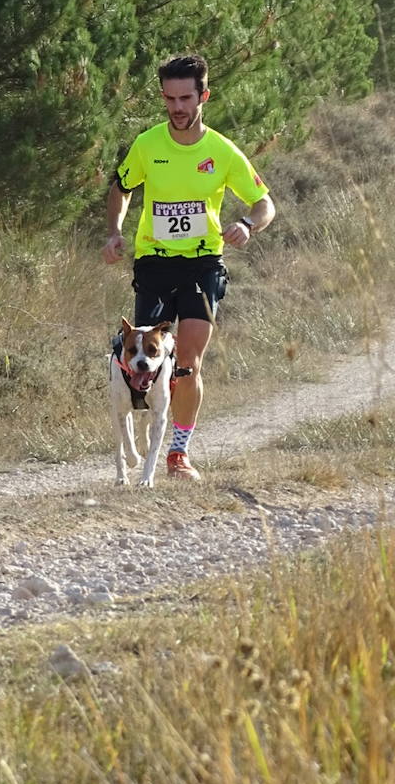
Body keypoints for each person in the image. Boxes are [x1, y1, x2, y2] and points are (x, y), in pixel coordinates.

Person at [103, 54, 274, 481]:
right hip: (155, 262)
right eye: (170, 99)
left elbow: (264, 202)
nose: (177, 108)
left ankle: (178, 454)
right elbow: (121, 188)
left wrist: (247, 224)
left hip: (202, 263)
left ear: (203, 97)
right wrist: (114, 230)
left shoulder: (220, 150)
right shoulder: (147, 145)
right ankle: (145, 434)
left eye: (186, 98)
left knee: (187, 363)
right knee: (145, 361)